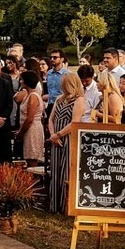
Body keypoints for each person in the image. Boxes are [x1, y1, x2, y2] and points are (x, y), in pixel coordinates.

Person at [46, 73, 84, 212]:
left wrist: (59, 134)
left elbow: (75, 122)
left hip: (68, 138)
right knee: (55, 170)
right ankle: (54, 204)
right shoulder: (59, 99)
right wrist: (52, 135)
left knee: (66, 170)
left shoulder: (79, 100)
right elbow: (51, 119)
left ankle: (65, 205)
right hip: (56, 138)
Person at [14, 70, 45, 165]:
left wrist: (20, 132)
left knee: (32, 158)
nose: (20, 81)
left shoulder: (33, 96)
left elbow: (30, 118)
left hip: (32, 130)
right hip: (28, 129)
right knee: (28, 157)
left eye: (22, 80)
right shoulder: (27, 95)